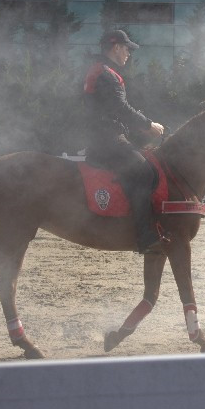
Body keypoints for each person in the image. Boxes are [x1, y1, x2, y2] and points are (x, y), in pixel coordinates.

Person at [82, 29, 166, 254]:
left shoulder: (98, 70)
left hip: (101, 136)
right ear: (116, 47)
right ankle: (144, 235)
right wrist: (149, 125)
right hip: (107, 139)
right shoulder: (107, 74)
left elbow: (113, 110)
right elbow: (121, 108)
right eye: (127, 48)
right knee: (145, 172)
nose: (129, 53)